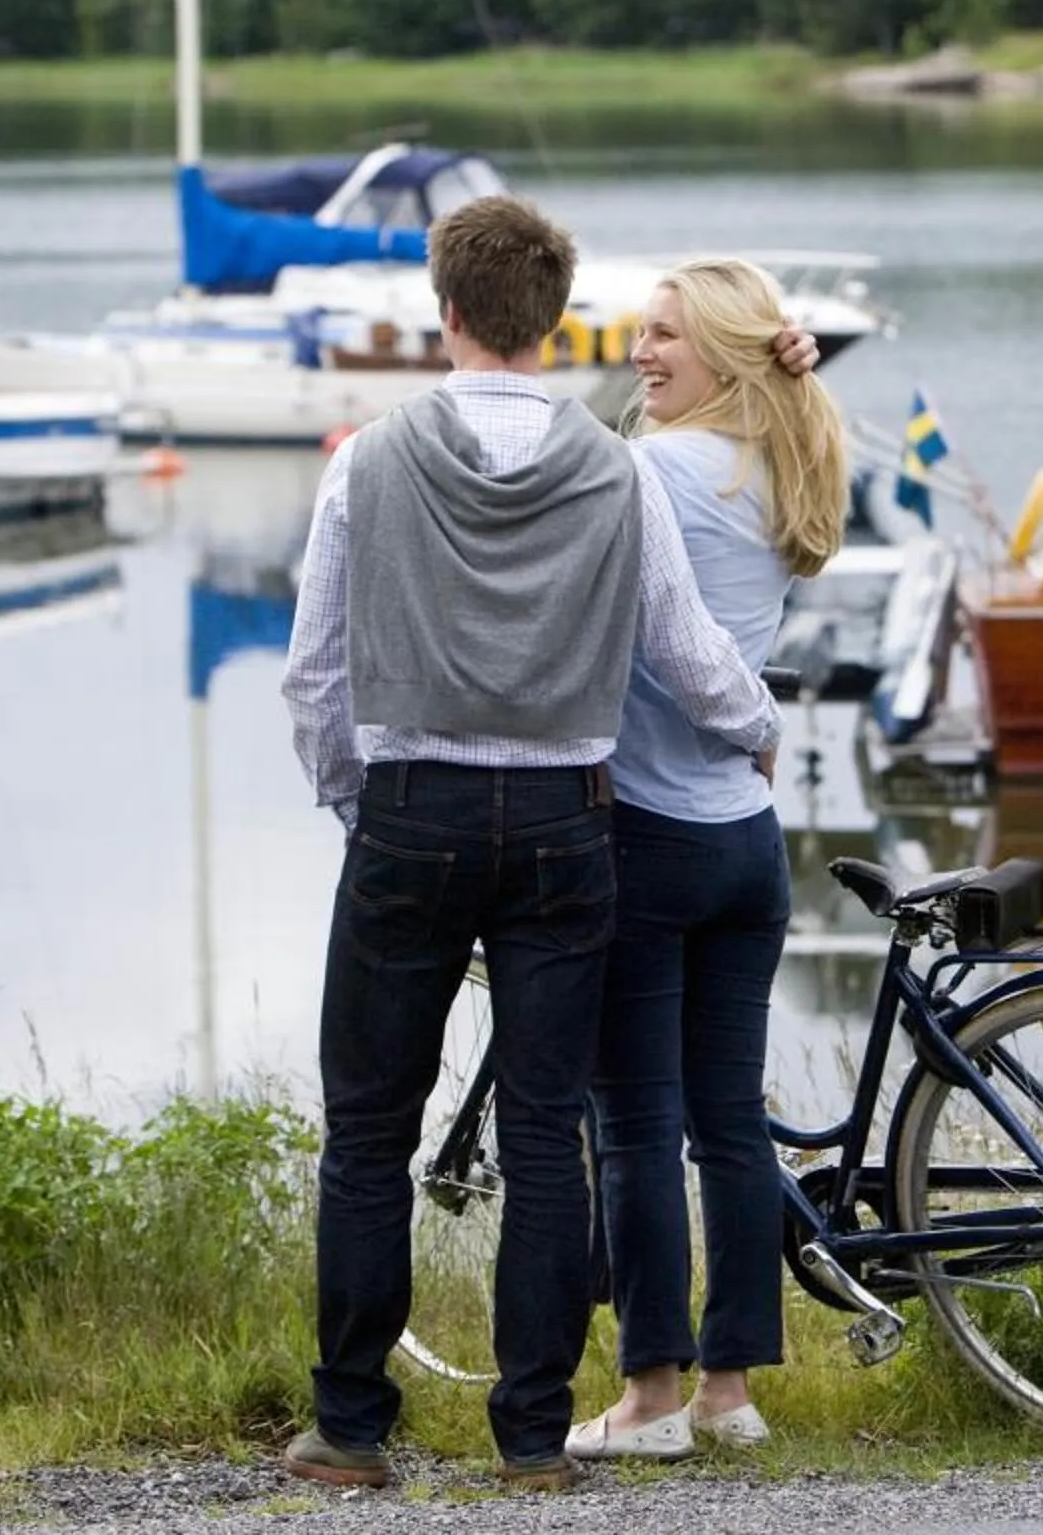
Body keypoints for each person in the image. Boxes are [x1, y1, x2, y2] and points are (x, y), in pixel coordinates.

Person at [275, 198, 785, 1493]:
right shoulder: (615, 469)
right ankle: (527, 1436)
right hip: (568, 821)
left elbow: (314, 675)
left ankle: (348, 1425)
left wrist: (359, 801)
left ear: (445, 311)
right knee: (548, 1134)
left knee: (369, 1129)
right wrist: (758, 728)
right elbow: (686, 647)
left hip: (412, 809)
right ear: (556, 324)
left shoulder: (367, 460)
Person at [568, 258, 847, 1463]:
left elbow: (661, 646)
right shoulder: (784, 465)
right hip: (747, 840)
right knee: (730, 1121)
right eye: (641, 331)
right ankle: (732, 1388)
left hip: (650, 827)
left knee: (636, 1125)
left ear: (727, 354)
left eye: (666, 335)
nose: (641, 351)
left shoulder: (649, 470)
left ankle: (648, 1397)